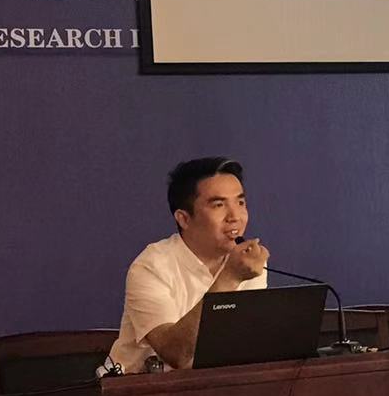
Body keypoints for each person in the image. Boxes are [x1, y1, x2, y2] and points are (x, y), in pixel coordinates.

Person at [109, 157, 270, 372]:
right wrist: (229, 278)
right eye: (219, 205)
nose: (235, 217)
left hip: (216, 384)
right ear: (184, 219)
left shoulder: (249, 264)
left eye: (240, 203)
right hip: (139, 387)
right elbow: (175, 354)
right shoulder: (151, 266)